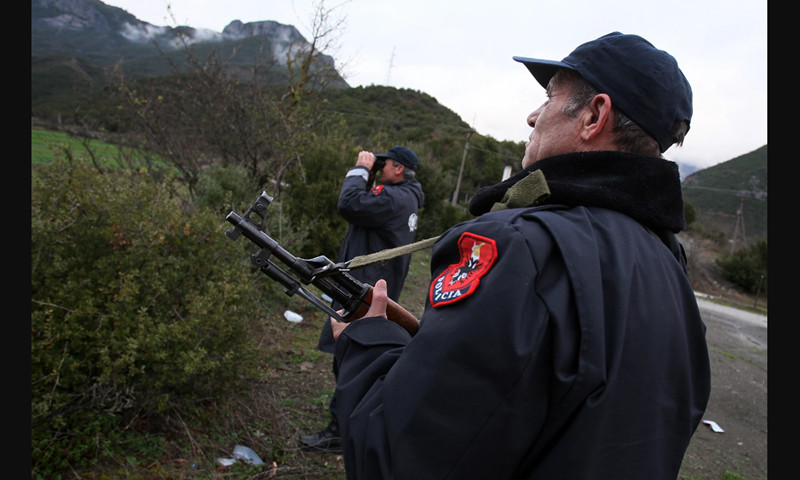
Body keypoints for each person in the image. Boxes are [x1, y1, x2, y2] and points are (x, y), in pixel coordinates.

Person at [329, 32, 711, 479]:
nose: (532, 116)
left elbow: (393, 458)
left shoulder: (521, 247)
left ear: (594, 115)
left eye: (549, 97)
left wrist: (368, 341)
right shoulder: (671, 267)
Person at [299, 145, 425, 452]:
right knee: (354, 356)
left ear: (399, 169)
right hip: (371, 287)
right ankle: (351, 424)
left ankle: (341, 432)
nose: (380, 167)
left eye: (386, 163)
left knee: (352, 357)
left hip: (363, 292)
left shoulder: (395, 198)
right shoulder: (404, 197)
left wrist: (359, 170)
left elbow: (349, 203)